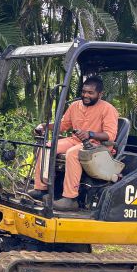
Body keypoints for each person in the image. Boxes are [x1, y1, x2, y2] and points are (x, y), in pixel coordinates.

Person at [30, 76, 119, 211]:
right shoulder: (74, 106)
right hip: (76, 141)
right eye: (84, 92)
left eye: (90, 93)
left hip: (98, 147)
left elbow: (110, 135)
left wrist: (90, 134)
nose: (85, 95)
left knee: (73, 154)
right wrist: (44, 126)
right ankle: (41, 189)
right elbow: (63, 125)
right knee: (46, 147)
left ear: (100, 94)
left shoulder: (108, 109)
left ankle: (70, 199)